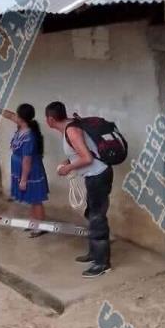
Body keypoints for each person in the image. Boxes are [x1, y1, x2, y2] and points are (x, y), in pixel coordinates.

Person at [45, 101, 113, 278]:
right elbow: (80, 153)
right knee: (91, 214)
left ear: (50, 119)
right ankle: (94, 253)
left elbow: (87, 158)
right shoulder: (70, 126)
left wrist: (67, 169)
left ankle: (102, 264)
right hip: (93, 175)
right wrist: (67, 162)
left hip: (98, 175)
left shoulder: (72, 130)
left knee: (97, 217)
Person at [2, 103, 49, 237]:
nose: (14, 116)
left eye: (17, 114)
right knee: (31, 199)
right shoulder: (22, 127)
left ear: (21, 118)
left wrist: (23, 179)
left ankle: (40, 227)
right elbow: (9, 115)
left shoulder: (29, 137)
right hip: (22, 169)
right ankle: (34, 222)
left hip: (30, 172)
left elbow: (27, 160)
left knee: (36, 200)